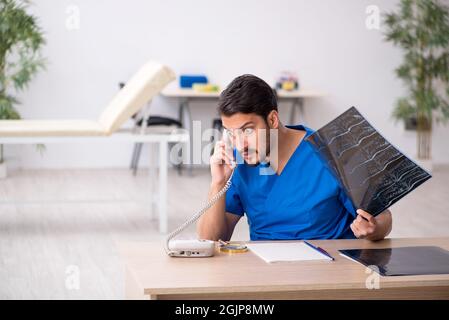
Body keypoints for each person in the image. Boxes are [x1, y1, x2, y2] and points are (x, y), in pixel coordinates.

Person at [197, 74, 392, 242]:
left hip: (326, 271)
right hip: (266, 276)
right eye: (231, 133)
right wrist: (218, 183)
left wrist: (374, 229)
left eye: (247, 131)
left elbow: (383, 218)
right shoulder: (241, 162)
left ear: (272, 120)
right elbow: (211, 240)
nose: (240, 145)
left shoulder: (332, 152)